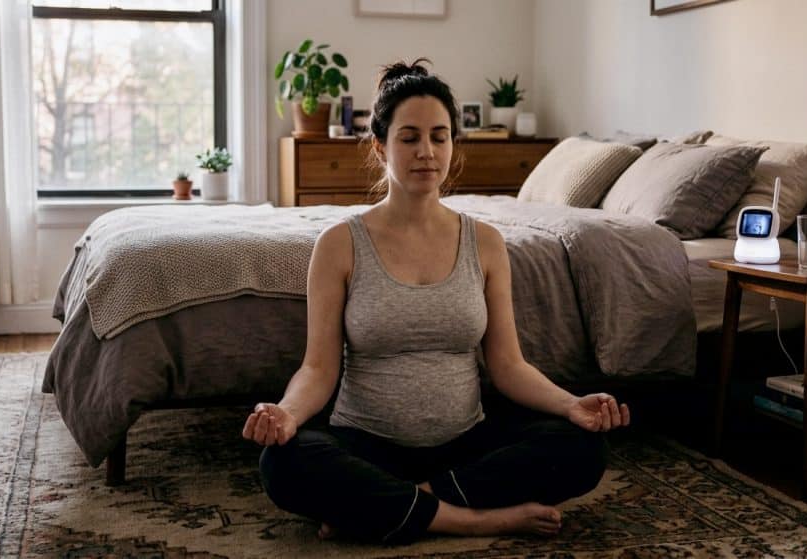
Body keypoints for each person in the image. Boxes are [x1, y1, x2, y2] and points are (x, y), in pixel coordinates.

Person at [242, 59, 630, 544]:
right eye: (409, 137)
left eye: (439, 136)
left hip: (463, 443)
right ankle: (473, 519)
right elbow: (318, 370)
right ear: (380, 145)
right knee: (282, 462)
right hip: (366, 443)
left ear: (452, 144)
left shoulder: (485, 243)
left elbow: (508, 365)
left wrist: (572, 404)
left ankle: (387, 505)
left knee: (583, 448)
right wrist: (287, 414)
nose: (426, 152)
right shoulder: (339, 243)